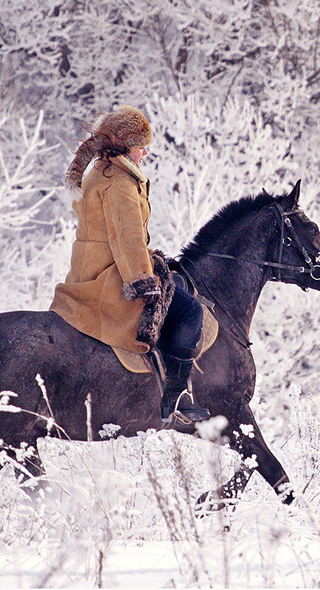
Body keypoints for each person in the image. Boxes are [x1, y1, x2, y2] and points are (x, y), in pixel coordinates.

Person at [50, 106, 210, 423]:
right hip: (108, 274)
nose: (145, 153)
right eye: (141, 146)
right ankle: (174, 398)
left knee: (177, 285)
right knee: (191, 311)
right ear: (125, 147)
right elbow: (127, 238)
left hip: (91, 266)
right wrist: (142, 282)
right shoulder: (120, 182)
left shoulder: (101, 171)